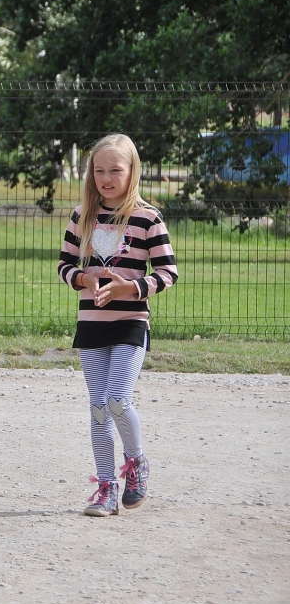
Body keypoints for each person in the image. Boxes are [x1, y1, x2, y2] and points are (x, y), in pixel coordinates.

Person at [57, 133, 178, 517]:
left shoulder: (147, 218)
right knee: (97, 408)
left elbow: (168, 272)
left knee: (117, 399)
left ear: (132, 172)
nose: (106, 178)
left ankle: (136, 463)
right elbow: (64, 266)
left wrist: (133, 286)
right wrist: (83, 280)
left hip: (130, 323)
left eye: (115, 170)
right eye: (99, 170)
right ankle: (106, 487)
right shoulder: (81, 216)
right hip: (92, 325)